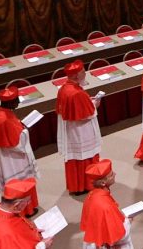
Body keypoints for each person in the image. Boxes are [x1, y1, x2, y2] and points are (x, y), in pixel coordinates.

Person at [0, 88, 39, 217]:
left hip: (6, 157)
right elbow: (17, 144)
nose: (19, 102)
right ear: (9, 103)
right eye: (16, 100)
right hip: (13, 159)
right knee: (20, 183)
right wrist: (26, 131)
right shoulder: (5, 120)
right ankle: (25, 210)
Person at [56, 60, 102, 196]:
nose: (85, 74)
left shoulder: (64, 88)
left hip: (72, 130)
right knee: (85, 157)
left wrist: (88, 101)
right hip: (82, 131)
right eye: (83, 72)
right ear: (76, 76)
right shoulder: (76, 93)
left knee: (76, 158)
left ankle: (77, 185)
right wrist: (95, 104)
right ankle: (87, 184)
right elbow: (86, 114)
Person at [0, 179, 54, 248]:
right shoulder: (6, 234)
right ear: (16, 205)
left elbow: (19, 228)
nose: (29, 203)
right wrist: (42, 246)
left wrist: (32, 232)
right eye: (27, 201)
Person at [80, 160, 132, 249]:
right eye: (111, 175)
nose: (115, 174)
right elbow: (119, 236)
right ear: (103, 183)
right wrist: (128, 222)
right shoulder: (106, 206)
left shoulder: (91, 195)